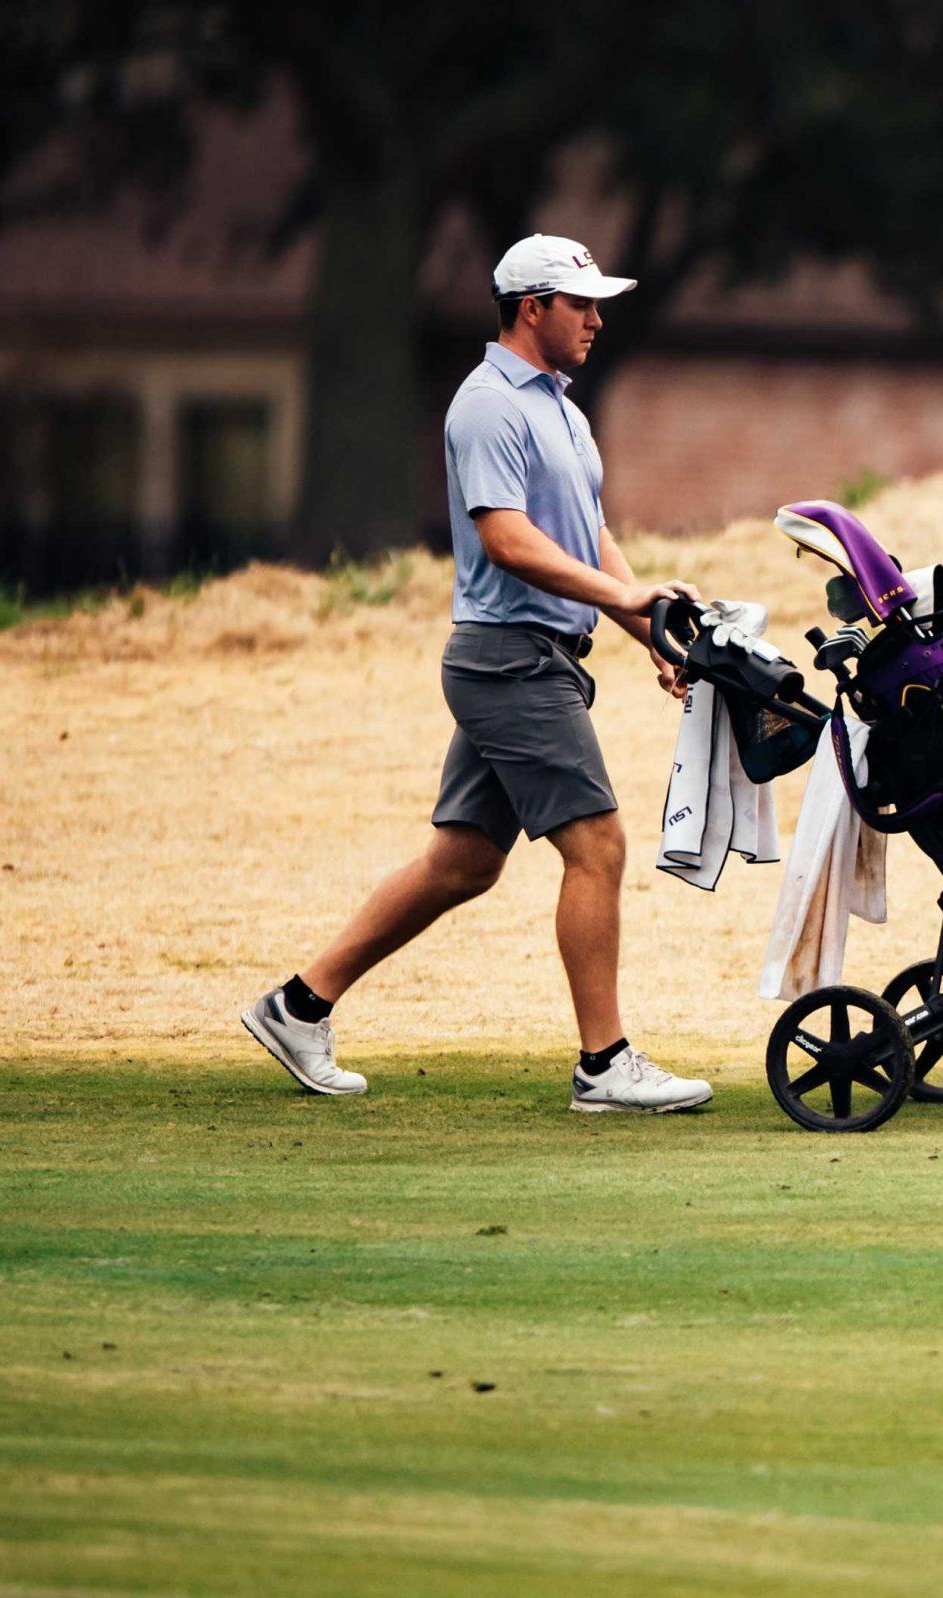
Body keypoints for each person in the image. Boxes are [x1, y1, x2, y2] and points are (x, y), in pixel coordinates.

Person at [242, 234, 714, 1113]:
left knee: (462, 863)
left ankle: (296, 1005)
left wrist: (643, 621)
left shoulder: (564, 411)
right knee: (599, 845)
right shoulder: (487, 405)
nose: (597, 319)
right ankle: (603, 1065)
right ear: (531, 308)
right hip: (512, 660)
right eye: (581, 305)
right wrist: (622, 596)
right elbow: (507, 538)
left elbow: (584, 535)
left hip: (536, 657)